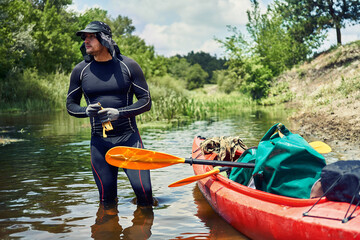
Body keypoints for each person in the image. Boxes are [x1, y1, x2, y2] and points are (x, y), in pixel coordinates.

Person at [66, 21, 154, 211]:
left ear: (104, 39)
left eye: (91, 36)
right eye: (84, 37)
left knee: (146, 198)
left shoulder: (128, 65)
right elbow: (70, 105)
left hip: (129, 140)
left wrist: (119, 113)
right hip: (100, 143)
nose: (86, 41)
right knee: (106, 203)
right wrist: (84, 111)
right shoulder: (80, 71)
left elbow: (146, 101)